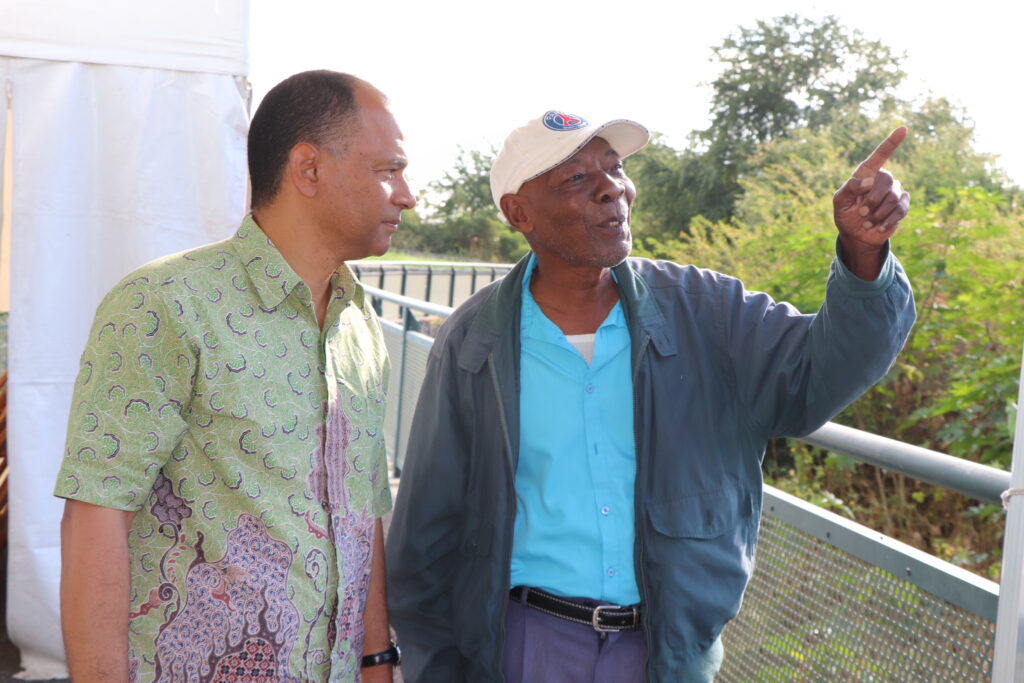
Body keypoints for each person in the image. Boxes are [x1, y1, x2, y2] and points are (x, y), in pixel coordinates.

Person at [385, 110, 915, 682]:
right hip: (526, 648)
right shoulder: (475, 342)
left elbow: (818, 375)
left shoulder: (707, 312)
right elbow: (425, 538)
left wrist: (863, 258)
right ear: (519, 213)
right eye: (576, 179)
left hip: (667, 654)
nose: (611, 188)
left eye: (614, 169)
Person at [55, 70, 414, 683]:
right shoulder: (164, 303)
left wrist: (376, 662)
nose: (406, 193)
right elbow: (95, 514)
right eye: (388, 169)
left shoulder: (359, 323)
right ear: (308, 169)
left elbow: (363, 512)